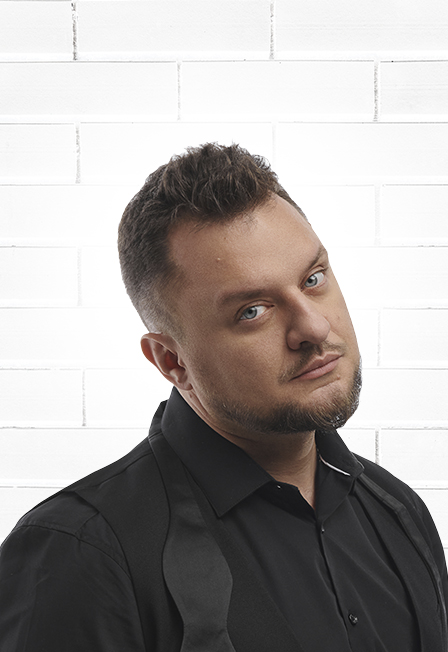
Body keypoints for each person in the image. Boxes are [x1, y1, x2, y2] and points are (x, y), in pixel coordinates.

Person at [0, 143, 446, 652]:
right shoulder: (80, 552)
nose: (314, 327)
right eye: (252, 311)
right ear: (172, 361)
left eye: (313, 279)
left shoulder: (397, 511)